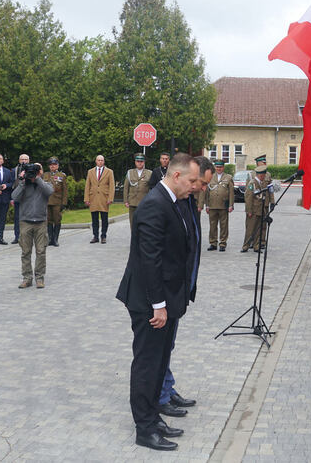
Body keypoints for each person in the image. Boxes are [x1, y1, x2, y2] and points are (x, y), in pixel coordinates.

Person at [116, 153, 200, 451]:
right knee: (148, 365)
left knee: (160, 362)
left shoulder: (173, 202)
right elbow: (150, 260)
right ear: (176, 176)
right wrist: (159, 305)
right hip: (149, 302)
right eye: (192, 180)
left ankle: (153, 417)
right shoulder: (154, 204)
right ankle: (144, 428)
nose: (195, 186)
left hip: (165, 300)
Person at [158, 156, 213, 418]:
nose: (201, 188)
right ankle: (160, 395)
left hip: (180, 289)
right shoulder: (171, 202)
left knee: (169, 345)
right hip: (166, 291)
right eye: (200, 182)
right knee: (160, 347)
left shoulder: (189, 200)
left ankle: (166, 388)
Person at [12, 163, 54, 289]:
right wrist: (23, 182)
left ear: (40, 172)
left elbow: (49, 191)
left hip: (40, 222)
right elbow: (14, 197)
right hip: (25, 221)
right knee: (25, 252)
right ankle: (27, 278)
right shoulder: (23, 184)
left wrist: (37, 179)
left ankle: (39, 278)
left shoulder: (45, 183)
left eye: (36, 170)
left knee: (41, 251)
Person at [84, 155, 115, 244]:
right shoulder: (90, 172)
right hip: (93, 198)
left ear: (104, 161)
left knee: (104, 218)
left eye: (102, 160)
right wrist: (86, 198)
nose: (100, 162)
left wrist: (110, 198)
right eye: (98, 160)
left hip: (104, 198)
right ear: (96, 161)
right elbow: (87, 186)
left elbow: (112, 186)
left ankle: (103, 236)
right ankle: (95, 236)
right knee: (94, 219)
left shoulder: (109, 172)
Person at [205, 159, 234, 251]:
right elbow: (207, 192)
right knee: (212, 225)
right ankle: (213, 243)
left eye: (220, 167)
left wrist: (231, 205)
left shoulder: (228, 177)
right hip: (212, 205)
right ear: (215, 167)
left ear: (223, 167)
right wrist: (207, 205)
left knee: (224, 225)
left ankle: (222, 243)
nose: (219, 168)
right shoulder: (210, 177)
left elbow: (231, 193)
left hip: (223, 205)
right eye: (217, 167)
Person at [241, 165, 269, 253]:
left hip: (260, 210)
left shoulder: (261, 183)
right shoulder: (252, 184)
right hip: (253, 211)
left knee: (259, 230)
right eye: (263, 176)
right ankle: (245, 246)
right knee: (250, 230)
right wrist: (249, 211)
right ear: (260, 175)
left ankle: (256, 246)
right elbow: (248, 198)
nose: (264, 177)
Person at [42, 157, 68, 247]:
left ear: (57, 165)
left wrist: (64, 203)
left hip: (57, 201)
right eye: (51, 165)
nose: (53, 166)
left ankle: (56, 239)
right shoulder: (45, 175)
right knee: (48, 220)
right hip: (47, 201)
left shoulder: (62, 175)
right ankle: (50, 239)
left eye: (54, 164)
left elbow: (64, 190)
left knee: (57, 220)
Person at [124, 153, 153, 229]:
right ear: (135, 162)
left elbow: (151, 188)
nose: (139, 163)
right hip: (132, 202)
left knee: (143, 222)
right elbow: (126, 187)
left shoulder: (149, 173)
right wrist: (125, 200)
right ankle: (134, 239)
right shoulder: (130, 172)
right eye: (138, 161)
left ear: (144, 162)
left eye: (141, 161)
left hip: (144, 202)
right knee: (133, 222)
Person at [11, 154, 30, 244]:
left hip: (28, 198)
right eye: (22, 159)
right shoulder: (14, 170)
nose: (23, 161)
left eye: (25, 159)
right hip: (18, 197)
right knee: (17, 218)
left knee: (28, 218)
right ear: (19, 160)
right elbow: (12, 184)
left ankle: (28, 237)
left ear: (28, 161)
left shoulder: (32, 170)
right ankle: (17, 236)